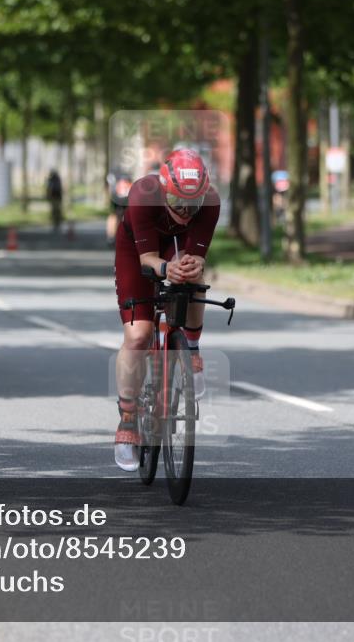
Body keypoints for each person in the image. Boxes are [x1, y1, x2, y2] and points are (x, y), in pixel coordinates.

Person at [111, 148, 219, 471]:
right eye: (178, 203)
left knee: (194, 277)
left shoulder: (209, 202)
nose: (186, 211)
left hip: (178, 244)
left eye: (193, 204)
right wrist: (166, 269)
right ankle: (128, 420)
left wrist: (188, 266)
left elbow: (198, 257)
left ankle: (192, 350)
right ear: (164, 189)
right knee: (139, 335)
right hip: (138, 249)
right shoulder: (143, 194)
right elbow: (148, 261)